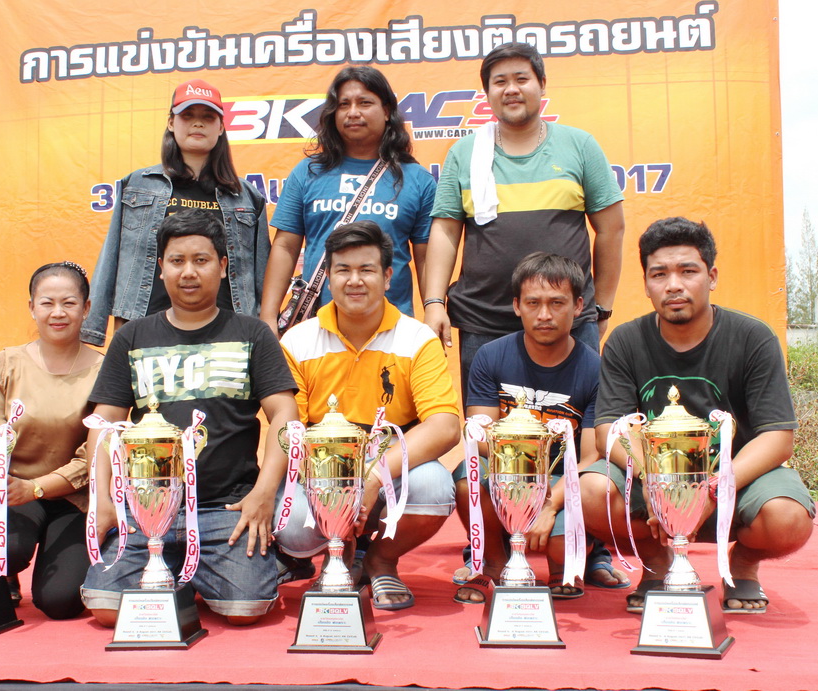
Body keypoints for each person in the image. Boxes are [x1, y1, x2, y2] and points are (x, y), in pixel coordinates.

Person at [583, 217, 815, 614]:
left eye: (687, 271)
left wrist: (714, 489)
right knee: (590, 491)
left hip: (736, 478)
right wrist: (654, 481)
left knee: (788, 517)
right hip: (653, 480)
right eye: (659, 274)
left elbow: (777, 437)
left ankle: (743, 564)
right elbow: (609, 430)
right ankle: (657, 564)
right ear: (646, 285)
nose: (673, 285)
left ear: (712, 277)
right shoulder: (625, 340)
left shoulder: (753, 338)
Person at [80, 209, 299, 626]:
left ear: (223, 266)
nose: (189, 272)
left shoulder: (252, 334)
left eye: (201, 260)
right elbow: (104, 424)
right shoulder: (131, 337)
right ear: (161, 268)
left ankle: (218, 568)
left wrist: (263, 493)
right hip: (146, 507)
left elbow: (285, 415)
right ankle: (182, 570)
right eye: (177, 261)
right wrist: (102, 500)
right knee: (106, 609)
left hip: (226, 508)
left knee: (245, 609)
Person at [423, 41, 625, 400]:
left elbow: (612, 229)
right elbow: (446, 231)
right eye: (500, 82)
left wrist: (601, 307)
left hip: (567, 320)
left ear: (542, 84)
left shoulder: (579, 146)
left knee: (578, 422)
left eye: (522, 79)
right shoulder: (464, 153)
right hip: (484, 322)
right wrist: (434, 302)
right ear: (487, 92)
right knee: (488, 428)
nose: (511, 89)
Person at [277, 221, 459, 610]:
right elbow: (291, 431)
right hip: (323, 471)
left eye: (367, 269)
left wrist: (373, 478)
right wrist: (340, 489)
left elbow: (445, 426)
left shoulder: (417, 339)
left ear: (388, 277)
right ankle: (337, 559)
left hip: (391, 472)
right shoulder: (297, 340)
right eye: (343, 270)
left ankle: (381, 561)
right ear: (328, 277)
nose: (354, 280)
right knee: (291, 530)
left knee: (435, 486)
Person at [452, 252, 628, 604]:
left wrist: (549, 501)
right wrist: (525, 476)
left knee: (562, 548)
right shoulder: (490, 356)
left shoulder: (595, 369)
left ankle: (577, 561)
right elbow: (480, 438)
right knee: (466, 474)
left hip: (563, 482)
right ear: (517, 306)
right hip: (506, 472)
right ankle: (492, 562)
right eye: (533, 303)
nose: (544, 314)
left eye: (557, 303)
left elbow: (591, 456)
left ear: (578, 306)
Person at [0, 261, 104, 620]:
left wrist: (36, 487)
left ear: (86, 308)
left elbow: (93, 456)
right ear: (31, 307)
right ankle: (5, 573)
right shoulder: (6, 364)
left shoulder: (104, 370)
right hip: (13, 492)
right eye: (47, 303)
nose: (58, 313)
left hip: (75, 498)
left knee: (60, 602)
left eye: (69, 303)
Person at [81, 78, 270, 346]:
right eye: (187, 115)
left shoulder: (246, 196)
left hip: (227, 334)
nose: (197, 123)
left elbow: (262, 276)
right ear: (171, 123)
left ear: (221, 127)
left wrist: (264, 331)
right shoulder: (137, 185)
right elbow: (110, 258)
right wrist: (94, 327)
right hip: (144, 328)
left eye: (208, 117)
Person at [259, 66, 436, 330]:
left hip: (392, 329)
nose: (353, 112)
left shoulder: (417, 179)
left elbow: (426, 257)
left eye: (365, 103)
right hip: (317, 328)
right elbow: (285, 247)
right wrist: (267, 317)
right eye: (344, 104)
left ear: (387, 111)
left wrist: (433, 309)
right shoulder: (307, 173)